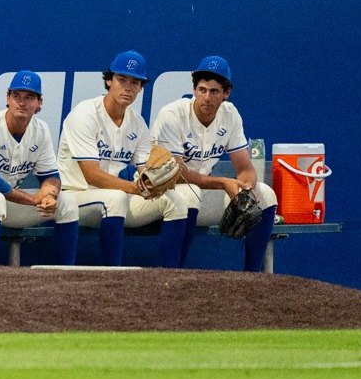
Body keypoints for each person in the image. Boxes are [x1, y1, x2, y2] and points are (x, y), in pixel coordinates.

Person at [56, 50, 200, 267]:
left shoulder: (137, 123)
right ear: (108, 80)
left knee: (176, 200)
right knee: (115, 198)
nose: (128, 87)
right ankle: (114, 275)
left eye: (135, 82)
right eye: (121, 79)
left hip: (116, 200)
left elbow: (145, 170)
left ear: (141, 87)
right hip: (76, 196)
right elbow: (91, 175)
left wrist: (158, 179)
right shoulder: (84, 114)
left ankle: (173, 275)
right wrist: (135, 188)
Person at [149, 55, 278, 271]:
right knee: (189, 195)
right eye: (202, 90)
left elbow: (245, 168)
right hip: (162, 192)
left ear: (226, 93)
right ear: (194, 89)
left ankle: (253, 279)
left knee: (265, 194)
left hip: (201, 194)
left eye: (214, 91)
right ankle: (173, 276)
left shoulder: (230, 115)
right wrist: (224, 184)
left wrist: (245, 188)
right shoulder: (172, 114)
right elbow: (174, 174)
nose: (207, 97)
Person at [0, 71, 80, 265]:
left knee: (67, 201)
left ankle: (64, 275)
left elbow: (51, 175)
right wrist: (33, 199)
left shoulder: (40, 130)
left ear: (39, 103)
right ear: (8, 98)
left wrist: (49, 194)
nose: (22, 102)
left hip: (8, 201)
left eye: (29, 97)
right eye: (16, 96)